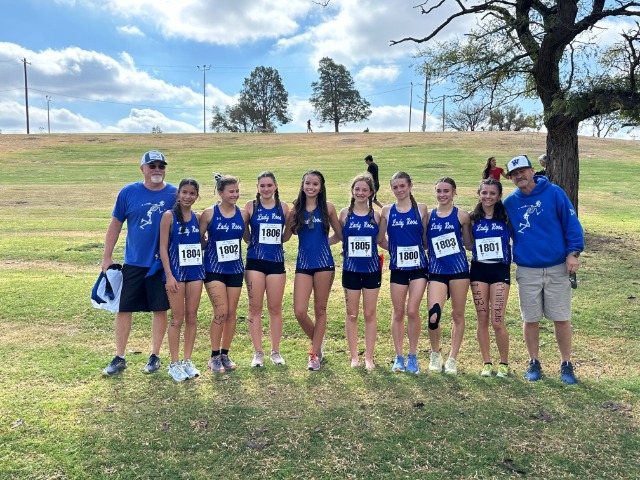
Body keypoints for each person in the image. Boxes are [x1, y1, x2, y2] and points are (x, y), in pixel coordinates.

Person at [503, 155, 584, 384]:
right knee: (530, 319)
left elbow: (572, 224)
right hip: (527, 269)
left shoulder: (555, 193)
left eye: (523, 171)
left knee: (561, 318)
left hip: (557, 266)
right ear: (511, 178)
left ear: (532, 171)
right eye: (514, 174)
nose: (520, 176)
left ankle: (566, 363)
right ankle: (533, 361)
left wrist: (573, 253)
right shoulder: (510, 203)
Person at [101, 150, 177, 376]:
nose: (157, 170)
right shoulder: (128, 192)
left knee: (160, 308)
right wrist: (107, 257)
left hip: (160, 263)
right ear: (142, 168)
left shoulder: (174, 193)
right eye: (152, 165)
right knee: (124, 309)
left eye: (161, 166)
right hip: (133, 262)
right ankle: (120, 356)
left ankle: (154, 356)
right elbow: (115, 225)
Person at [283, 170, 342, 371]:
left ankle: (314, 354)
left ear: (321, 187)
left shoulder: (328, 208)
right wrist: (286, 217)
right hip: (303, 265)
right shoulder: (295, 211)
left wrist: (324, 243)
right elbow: (285, 238)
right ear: (302, 185)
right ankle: (319, 341)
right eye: (307, 183)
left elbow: (339, 235)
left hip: (324, 264)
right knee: (299, 311)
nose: (311, 187)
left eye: (315, 184)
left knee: (320, 309)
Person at [199, 174, 250, 374]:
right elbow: (200, 240)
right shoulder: (209, 213)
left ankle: (225, 354)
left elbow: (247, 238)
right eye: (231, 191)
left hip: (235, 269)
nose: (235, 195)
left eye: (237, 191)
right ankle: (213, 356)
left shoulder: (244, 214)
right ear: (220, 193)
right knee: (220, 311)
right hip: (214, 269)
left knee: (231, 313)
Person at [379, 172, 428, 374]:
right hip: (398, 268)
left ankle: (413, 356)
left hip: (418, 268)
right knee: (398, 312)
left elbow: (426, 240)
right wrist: (395, 250)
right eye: (395, 187)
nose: (399, 190)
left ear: (410, 186)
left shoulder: (422, 209)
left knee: (412, 310)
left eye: (402, 186)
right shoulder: (387, 211)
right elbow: (380, 238)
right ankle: (399, 357)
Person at [335, 173, 385, 370]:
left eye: (365, 190)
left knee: (370, 313)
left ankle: (369, 357)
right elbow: (339, 238)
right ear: (352, 191)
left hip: (372, 269)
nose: (361, 193)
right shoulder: (344, 214)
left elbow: (380, 241)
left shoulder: (377, 216)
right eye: (357, 189)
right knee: (352, 314)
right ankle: (354, 356)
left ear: (371, 192)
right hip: (351, 270)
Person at [159, 178, 205, 381]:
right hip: (176, 274)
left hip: (195, 273)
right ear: (178, 194)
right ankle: (174, 363)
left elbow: (200, 243)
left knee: (192, 317)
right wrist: (169, 275)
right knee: (177, 319)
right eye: (184, 192)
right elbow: (163, 248)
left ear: (196, 196)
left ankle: (187, 360)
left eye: (192, 193)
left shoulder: (198, 216)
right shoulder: (168, 216)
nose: (188, 196)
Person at [426, 177, 473, 376]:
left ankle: (452, 358)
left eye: (446, 191)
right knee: (433, 316)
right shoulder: (428, 216)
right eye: (439, 191)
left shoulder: (462, 215)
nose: (442, 195)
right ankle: (435, 354)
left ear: (454, 192)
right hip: (436, 271)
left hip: (459, 271)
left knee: (458, 315)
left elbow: (469, 244)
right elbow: (424, 244)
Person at [244, 171, 289, 367]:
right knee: (255, 308)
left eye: (269, 185)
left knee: (275, 308)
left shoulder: (283, 207)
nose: (266, 189)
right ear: (257, 188)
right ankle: (258, 353)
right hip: (255, 261)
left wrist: (279, 241)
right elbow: (244, 233)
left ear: (276, 186)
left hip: (276, 263)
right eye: (262, 186)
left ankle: (275, 351)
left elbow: (287, 234)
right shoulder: (250, 206)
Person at [469, 178, 512, 378]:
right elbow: (468, 245)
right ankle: (487, 362)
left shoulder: (506, 216)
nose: (488, 197)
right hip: (478, 271)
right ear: (479, 194)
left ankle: (503, 363)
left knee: (497, 320)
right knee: (482, 319)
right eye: (484, 193)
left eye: (492, 193)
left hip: (499, 271)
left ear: (499, 196)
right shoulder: (472, 218)